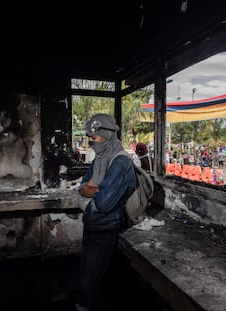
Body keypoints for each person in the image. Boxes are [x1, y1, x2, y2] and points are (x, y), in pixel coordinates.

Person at [77, 113, 136, 311]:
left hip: (106, 227)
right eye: (89, 138)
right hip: (92, 223)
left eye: (94, 138)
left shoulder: (120, 162)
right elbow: (83, 185)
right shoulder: (101, 158)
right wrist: (94, 188)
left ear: (107, 135)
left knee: (89, 280)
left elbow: (104, 202)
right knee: (86, 273)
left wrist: (93, 189)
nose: (91, 143)